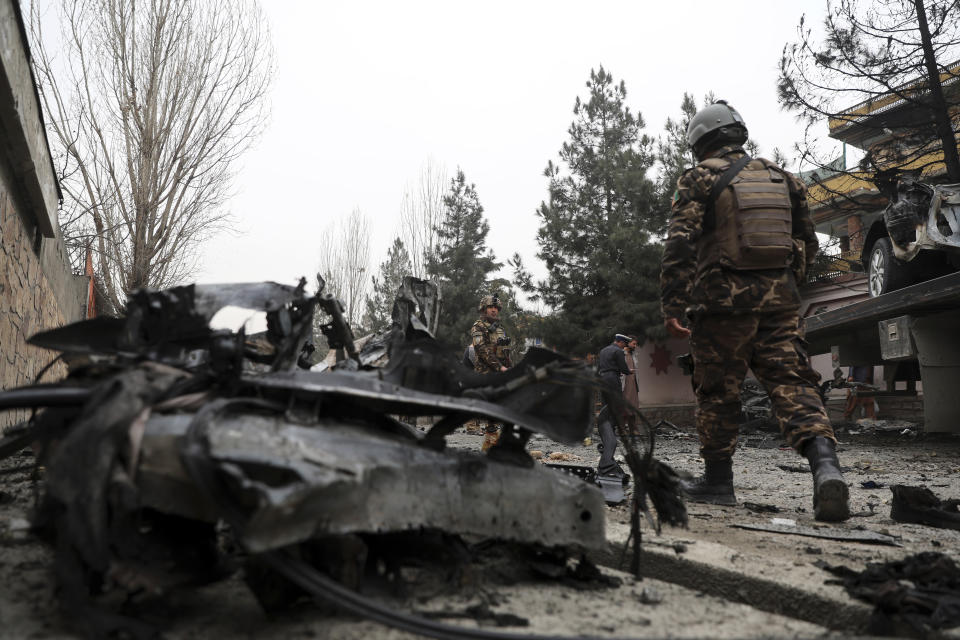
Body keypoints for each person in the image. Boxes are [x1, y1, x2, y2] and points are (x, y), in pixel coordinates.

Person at [660, 100, 849, 521]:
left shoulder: (699, 178)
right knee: (795, 384)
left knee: (717, 392)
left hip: (722, 306)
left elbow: (680, 242)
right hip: (780, 304)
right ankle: (825, 468)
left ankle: (718, 482)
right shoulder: (784, 178)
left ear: (700, 141)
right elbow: (808, 242)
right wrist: (783, 286)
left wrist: (673, 301)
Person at [471, 294, 512, 451]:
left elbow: (505, 351)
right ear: (484, 309)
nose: (494, 310)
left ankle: (490, 447)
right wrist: (499, 367)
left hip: (500, 372)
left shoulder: (500, 328)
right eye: (490, 307)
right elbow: (482, 350)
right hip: (486, 373)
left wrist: (508, 367)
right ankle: (491, 447)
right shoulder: (478, 326)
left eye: (496, 308)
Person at [595, 333, 632, 478]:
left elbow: (599, 367)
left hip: (602, 379)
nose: (624, 346)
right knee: (615, 405)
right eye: (624, 344)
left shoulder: (604, 350)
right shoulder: (618, 351)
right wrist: (629, 371)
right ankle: (612, 429)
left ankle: (607, 429)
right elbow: (623, 368)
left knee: (606, 405)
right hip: (612, 378)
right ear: (620, 342)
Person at [621, 336, 640, 431]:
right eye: (634, 344)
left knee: (633, 406)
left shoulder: (633, 355)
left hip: (633, 384)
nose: (635, 346)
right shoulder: (621, 354)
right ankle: (622, 429)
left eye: (636, 344)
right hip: (625, 385)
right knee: (624, 406)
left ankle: (633, 428)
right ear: (628, 343)